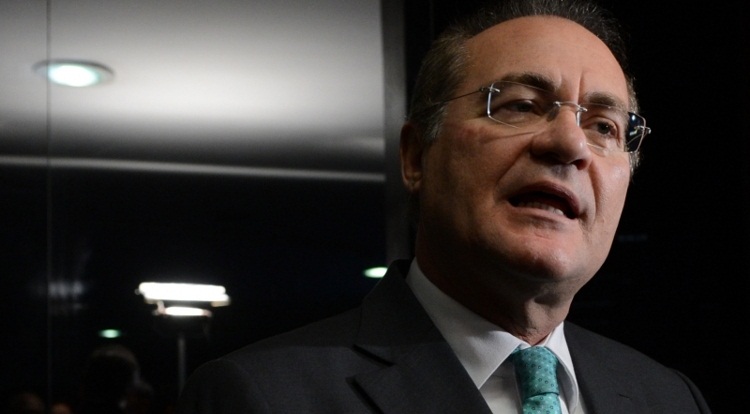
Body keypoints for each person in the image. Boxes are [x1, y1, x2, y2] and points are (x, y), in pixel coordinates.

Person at [175, 0, 712, 412]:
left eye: (604, 127)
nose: (570, 144)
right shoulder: (260, 396)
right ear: (416, 157)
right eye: (521, 106)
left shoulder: (670, 399)